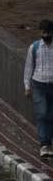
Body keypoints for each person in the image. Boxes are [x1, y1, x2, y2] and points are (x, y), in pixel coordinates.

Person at [24, 20, 53, 157]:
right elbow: (28, 67)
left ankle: (48, 141)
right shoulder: (34, 48)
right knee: (42, 113)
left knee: (50, 114)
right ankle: (44, 144)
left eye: (48, 32)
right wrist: (27, 86)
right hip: (39, 84)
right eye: (44, 32)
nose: (46, 35)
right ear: (40, 32)